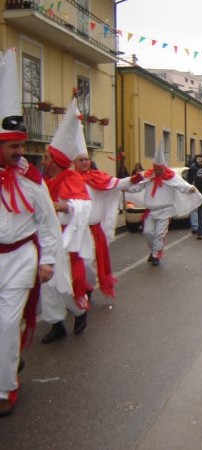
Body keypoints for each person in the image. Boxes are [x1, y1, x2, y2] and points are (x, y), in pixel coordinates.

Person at [0, 48, 64, 417]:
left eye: (22, 145)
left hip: (22, 256)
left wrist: (49, 260)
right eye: (14, 146)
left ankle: (6, 387)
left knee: (8, 322)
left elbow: (46, 222)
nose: (20, 151)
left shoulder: (31, 179)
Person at [40, 97, 94, 343]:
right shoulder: (42, 181)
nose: (42, 160)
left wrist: (66, 205)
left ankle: (79, 311)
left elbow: (85, 203)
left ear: (55, 160)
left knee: (63, 282)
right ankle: (56, 323)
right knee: (46, 285)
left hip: (64, 238)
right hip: (45, 238)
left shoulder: (70, 179)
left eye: (46, 156)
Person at [73, 138, 142, 301]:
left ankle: (86, 290)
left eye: (86, 159)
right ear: (74, 162)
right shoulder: (69, 180)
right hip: (75, 231)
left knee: (89, 264)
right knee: (76, 266)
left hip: (93, 231)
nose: (84, 162)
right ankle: (79, 293)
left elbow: (116, 183)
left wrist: (132, 179)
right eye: (80, 160)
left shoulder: (97, 177)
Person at [129, 144, 202, 266]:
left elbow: (181, 184)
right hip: (150, 211)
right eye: (156, 168)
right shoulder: (149, 176)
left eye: (160, 168)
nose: (158, 171)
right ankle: (154, 250)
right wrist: (126, 188)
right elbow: (137, 186)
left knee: (159, 234)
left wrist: (189, 188)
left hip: (165, 211)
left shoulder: (171, 176)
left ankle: (156, 255)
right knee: (148, 232)